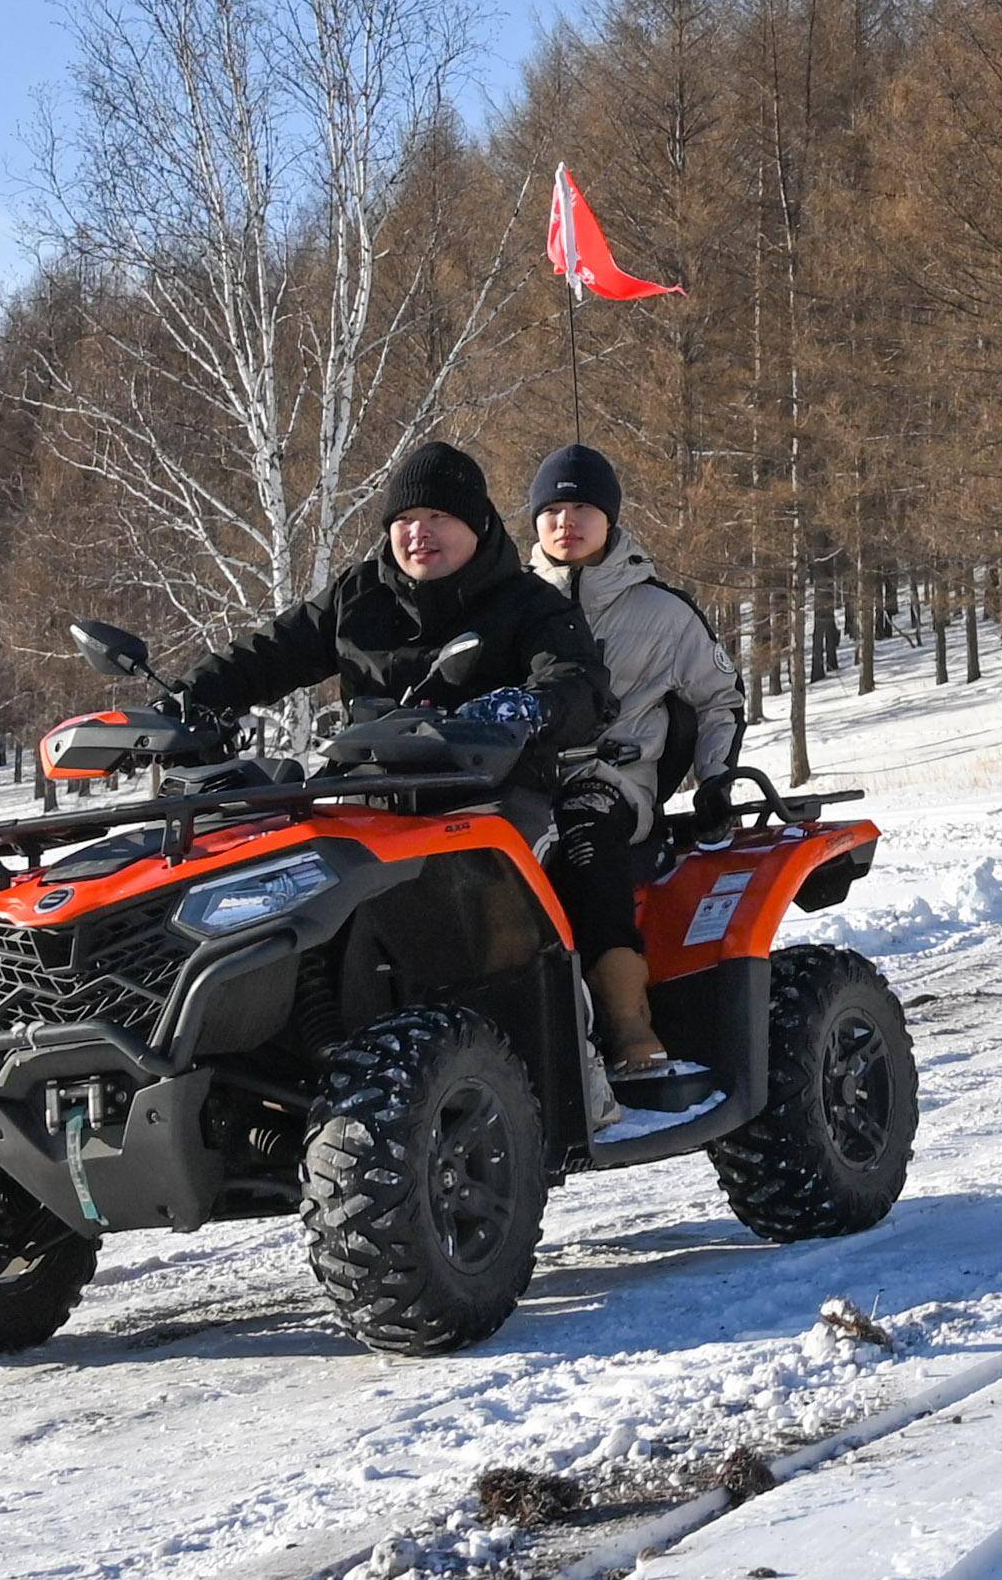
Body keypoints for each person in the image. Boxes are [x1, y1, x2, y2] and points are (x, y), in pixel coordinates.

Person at [164, 439, 651, 1120]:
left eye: (438, 517)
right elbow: (269, 654)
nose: (418, 532)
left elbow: (579, 682)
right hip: (364, 800)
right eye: (405, 518)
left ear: (476, 524)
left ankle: (581, 1061)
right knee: (265, 881)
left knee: (511, 905)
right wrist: (185, 700)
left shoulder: (525, 602)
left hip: (490, 797)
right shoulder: (359, 594)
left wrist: (525, 706)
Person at [521, 442, 744, 1114]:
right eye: (552, 508)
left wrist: (715, 781)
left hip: (613, 780)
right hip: (519, 779)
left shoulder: (661, 611)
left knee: (583, 841)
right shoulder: (508, 605)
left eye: (582, 506)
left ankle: (627, 1028)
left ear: (611, 518)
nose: (566, 521)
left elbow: (718, 698)